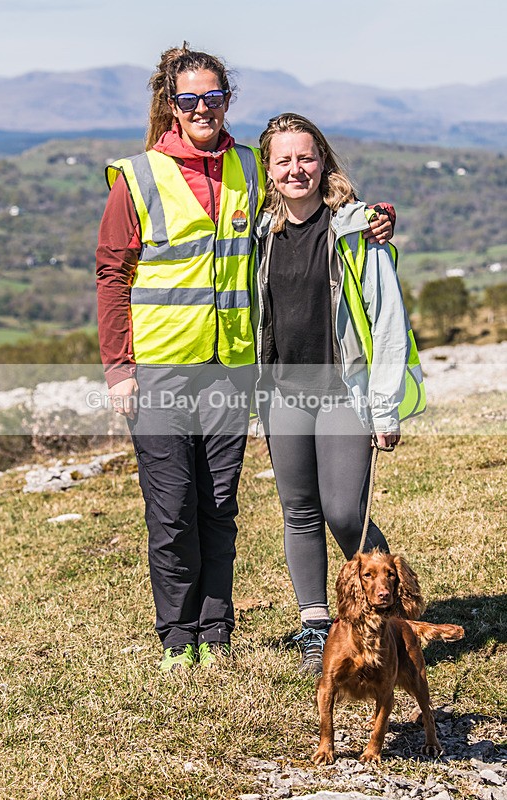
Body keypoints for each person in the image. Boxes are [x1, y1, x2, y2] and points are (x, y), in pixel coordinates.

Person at [96, 44, 394, 673]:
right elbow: (112, 273)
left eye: (214, 97)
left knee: (220, 506)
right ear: (172, 106)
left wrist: (376, 217)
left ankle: (217, 630)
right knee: (172, 507)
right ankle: (181, 638)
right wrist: (119, 368)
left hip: (232, 373)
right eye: (190, 99)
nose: (203, 107)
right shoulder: (139, 175)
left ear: (227, 100)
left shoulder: (249, 170)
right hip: (161, 371)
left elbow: (315, 193)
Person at [255, 113, 425, 674]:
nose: (296, 169)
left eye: (306, 157)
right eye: (284, 160)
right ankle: (315, 626)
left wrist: (384, 406)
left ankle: (392, 607)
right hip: (282, 392)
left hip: (342, 392)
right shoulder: (258, 235)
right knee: (298, 511)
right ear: (269, 169)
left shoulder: (356, 230)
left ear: (323, 160)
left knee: (343, 510)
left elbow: (388, 319)